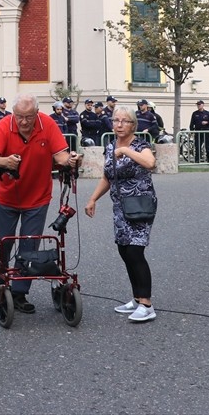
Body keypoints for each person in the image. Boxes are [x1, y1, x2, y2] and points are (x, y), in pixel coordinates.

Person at [0, 93, 80, 314]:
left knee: (30, 246)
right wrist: (4, 161)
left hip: (37, 197)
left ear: (36, 113)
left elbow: (60, 156)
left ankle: (18, 293)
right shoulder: (3, 125)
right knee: (2, 243)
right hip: (7, 196)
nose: (24, 121)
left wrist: (72, 159)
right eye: (19, 116)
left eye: (28, 117)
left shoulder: (47, 124)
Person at [84, 105, 157, 323]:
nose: (119, 124)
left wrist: (125, 151)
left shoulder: (140, 145)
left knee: (135, 251)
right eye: (116, 120)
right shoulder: (110, 147)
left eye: (124, 121)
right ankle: (136, 299)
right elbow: (107, 177)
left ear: (133, 125)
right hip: (121, 206)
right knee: (124, 251)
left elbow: (150, 163)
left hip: (140, 204)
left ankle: (146, 304)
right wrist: (93, 199)